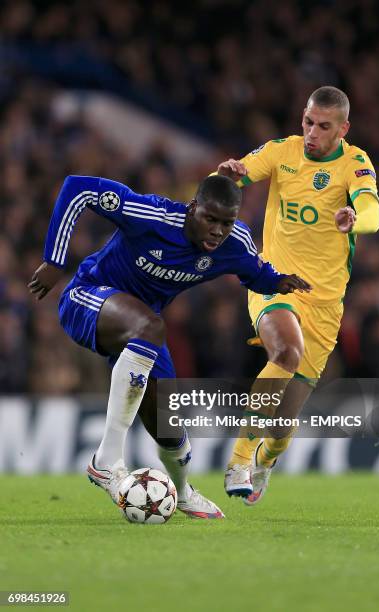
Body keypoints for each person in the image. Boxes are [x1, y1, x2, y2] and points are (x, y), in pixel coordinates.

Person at [28, 173, 310, 519]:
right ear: (193, 208)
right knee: (150, 326)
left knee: (169, 425)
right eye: (210, 219)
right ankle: (106, 461)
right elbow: (77, 188)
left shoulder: (234, 244)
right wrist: (55, 260)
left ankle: (184, 491)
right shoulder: (151, 216)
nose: (218, 231)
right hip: (87, 298)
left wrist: (279, 281)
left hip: (143, 330)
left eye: (226, 222)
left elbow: (254, 271)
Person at [218, 86, 379, 504]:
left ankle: (266, 460)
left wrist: (354, 216)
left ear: (343, 128)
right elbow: (242, 170)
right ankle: (238, 459)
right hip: (275, 282)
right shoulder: (283, 150)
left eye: (324, 126)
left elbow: (373, 213)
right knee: (286, 352)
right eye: (308, 121)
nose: (312, 132)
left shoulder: (355, 163)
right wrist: (231, 174)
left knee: (283, 422)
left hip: (325, 304)